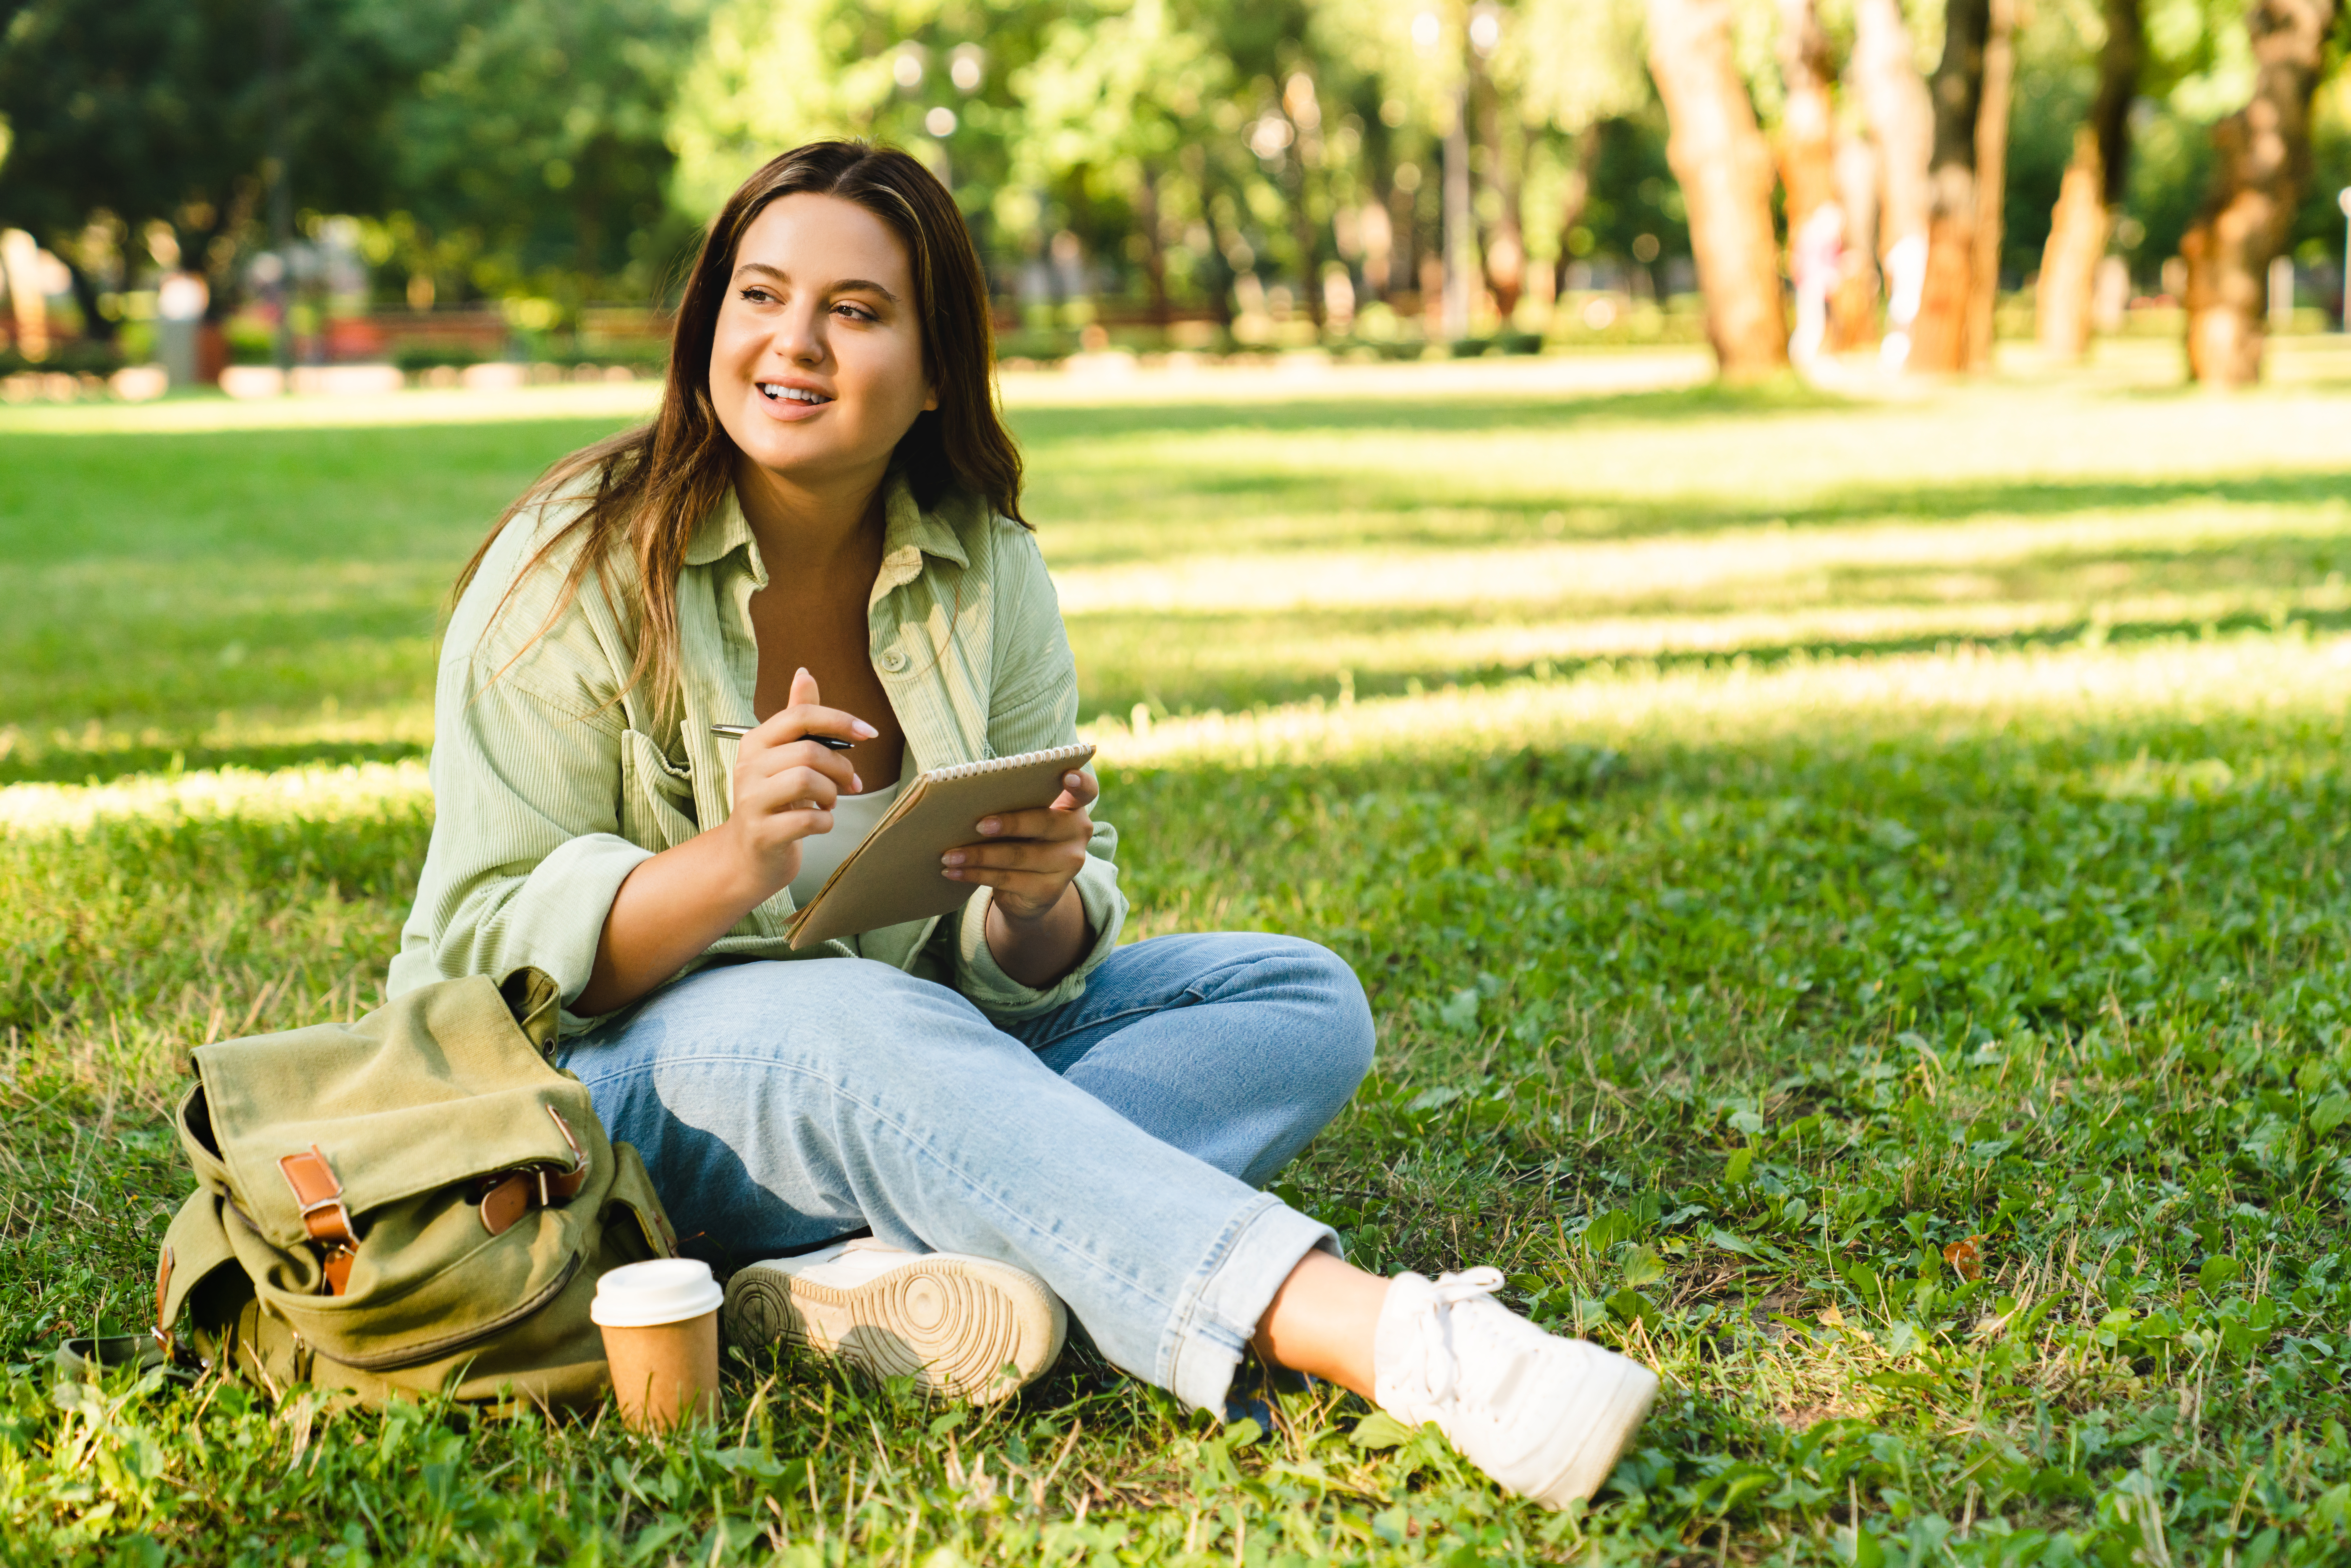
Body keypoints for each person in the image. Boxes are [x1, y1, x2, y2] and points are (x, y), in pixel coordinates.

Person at [389, 140, 1656, 1509]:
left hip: (909, 1052)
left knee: (1293, 995)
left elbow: (1024, 964)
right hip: (626, 1102)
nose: (792, 343)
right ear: (709, 326)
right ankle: (1399, 1343)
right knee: (851, 1022)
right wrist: (724, 867)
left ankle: (872, 1276)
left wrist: (1035, 900)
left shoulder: (982, 567)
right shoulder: (578, 558)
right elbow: (479, 967)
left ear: (936, 371)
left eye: (856, 312)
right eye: (758, 297)